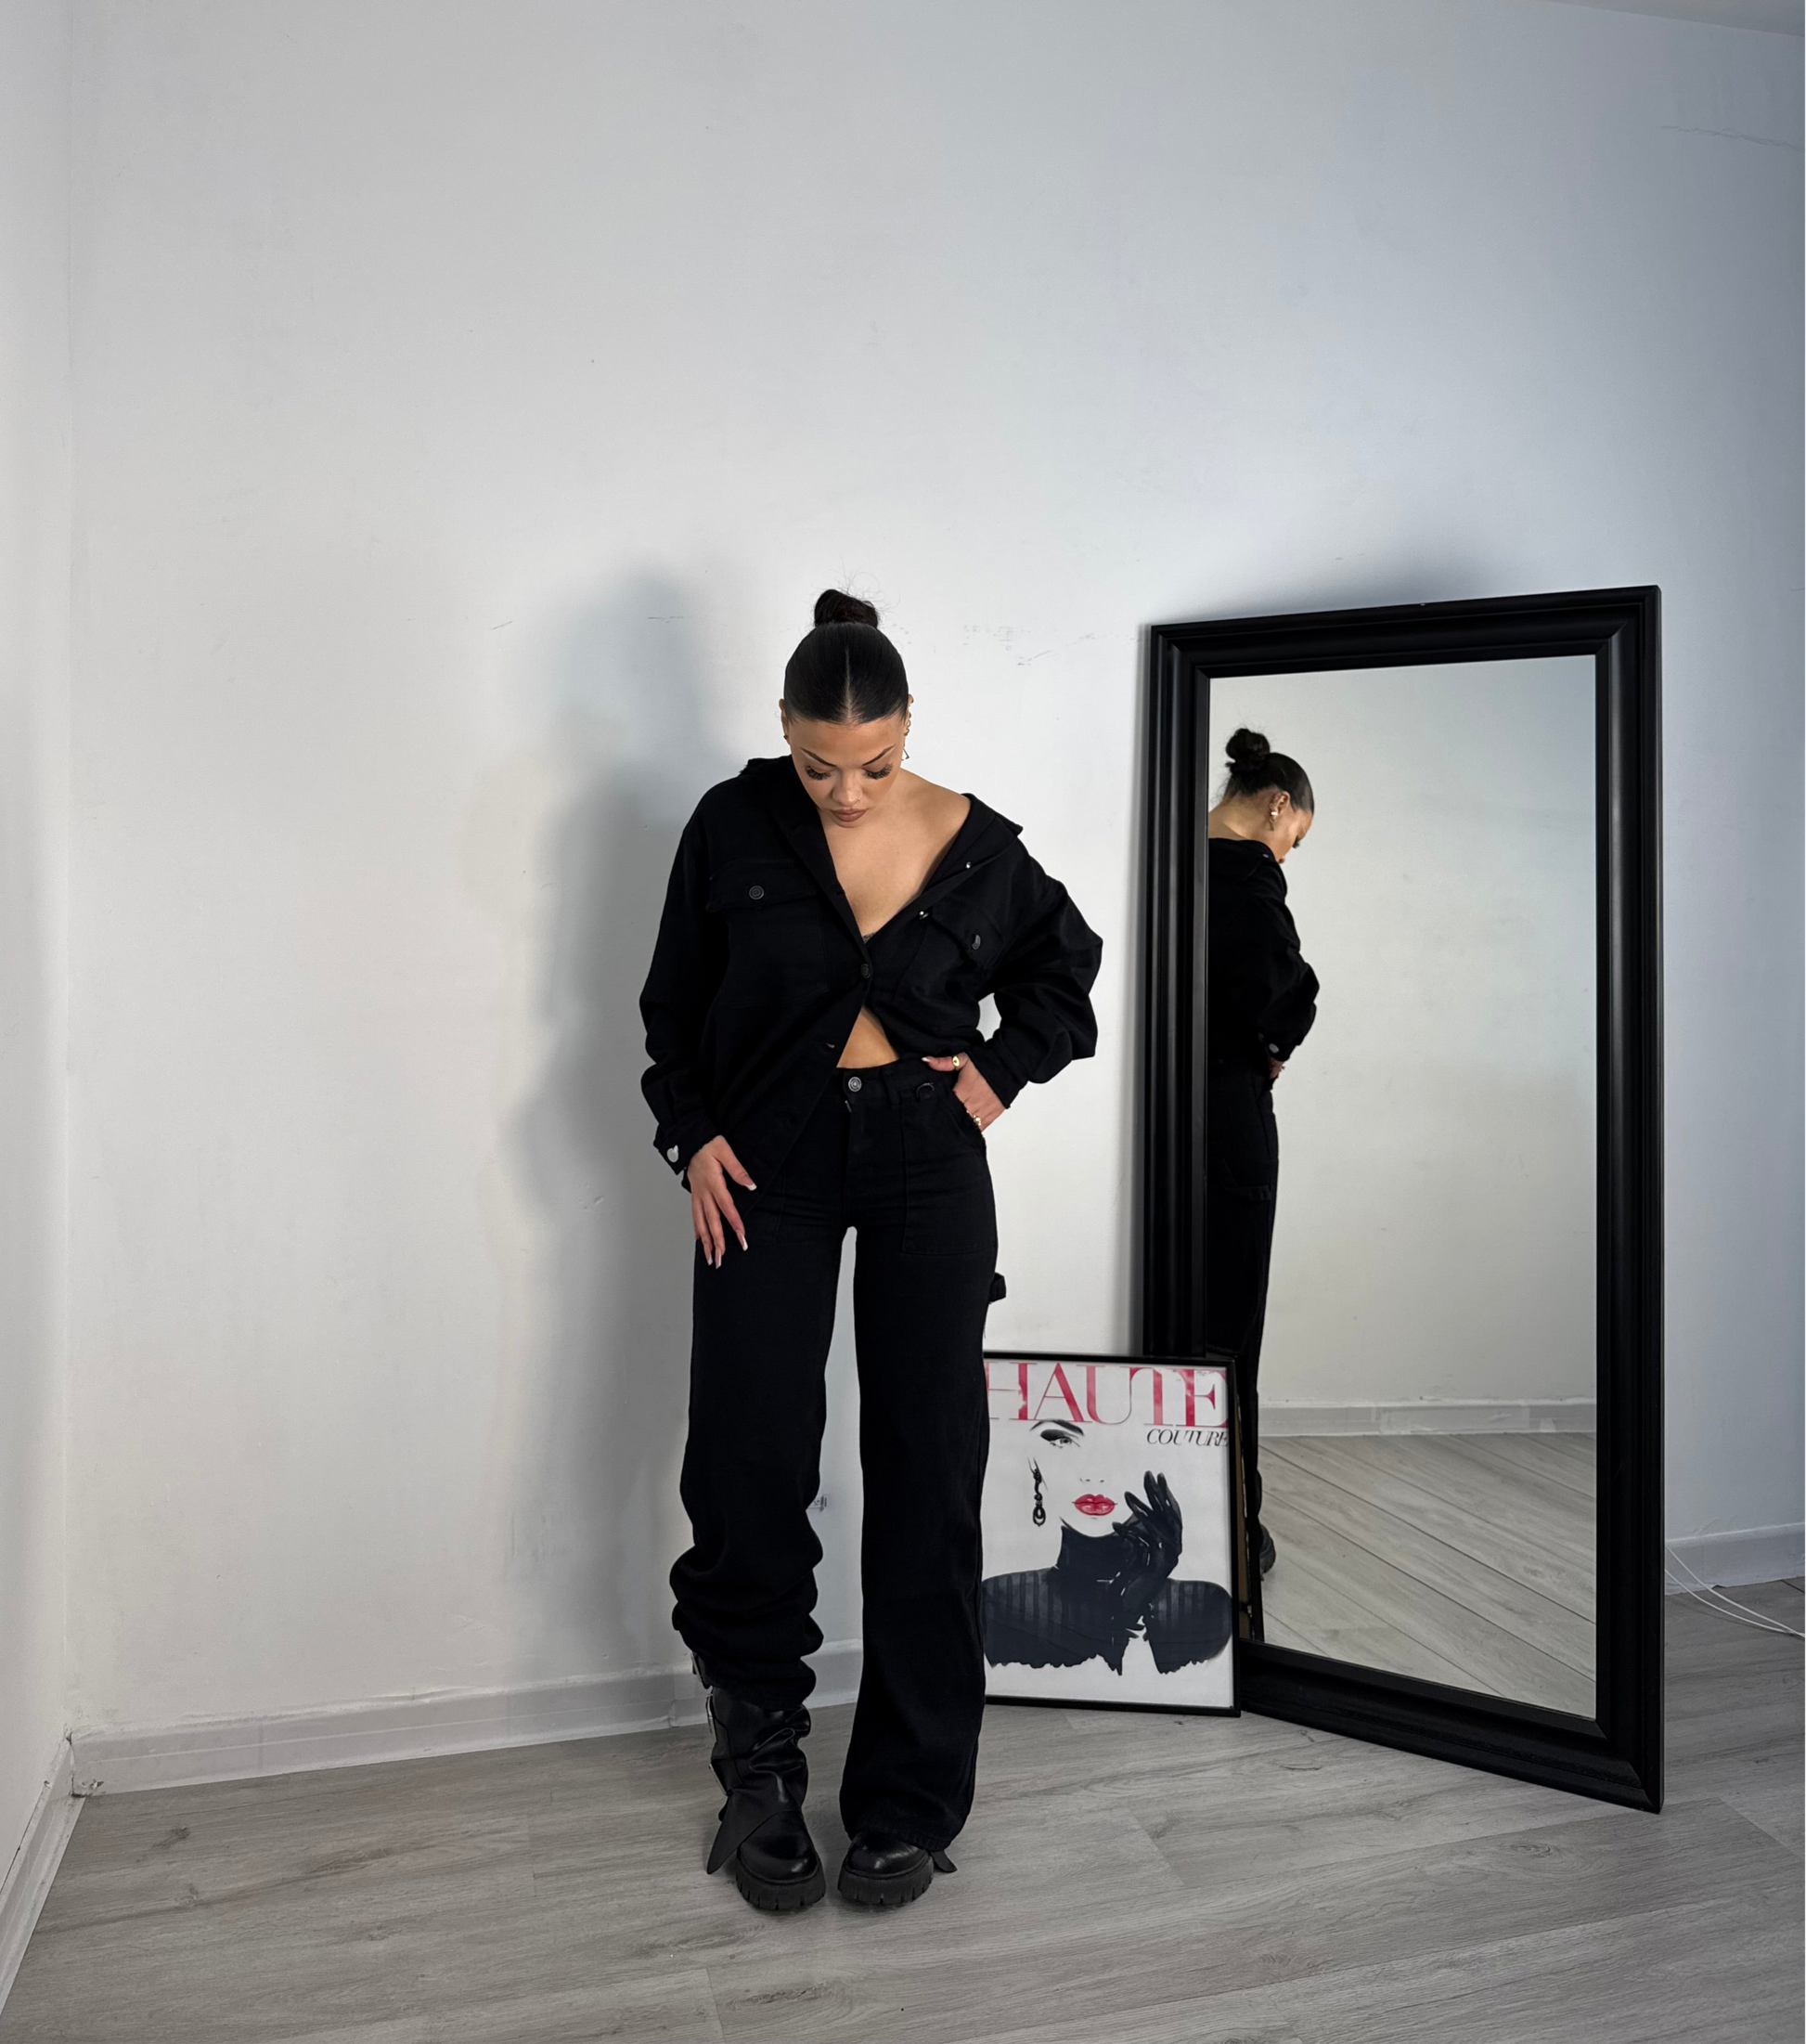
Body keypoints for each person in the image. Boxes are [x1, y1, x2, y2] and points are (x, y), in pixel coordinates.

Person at [639, 589, 1103, 1914]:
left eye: (874, 766)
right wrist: (692, 1135)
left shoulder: (977, 846)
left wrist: (997, 1073)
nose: (845, 794)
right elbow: (671, 1005)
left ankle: (908, 1799)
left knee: (926, 1463)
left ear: (909, 731)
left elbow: (1065, 971)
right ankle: (760, 1771)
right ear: (783, 733)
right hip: (764, 1162)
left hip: (924, 1158)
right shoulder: (729, 823)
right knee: (748, 1455)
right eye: (817, 767)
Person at [1205, 727, 1318, 1590]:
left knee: (1183, 1316)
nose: (1287, 856)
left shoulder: (1165, 858)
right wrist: (1280, 1039)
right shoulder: (1247, 877)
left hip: (1169, 1119)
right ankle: (1234, 1525)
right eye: (1295, 838)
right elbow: (1282, 994)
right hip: (1232, 1119)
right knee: (1234, 1324)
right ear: (1277, 805)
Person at [981, 1418, 1232, 1676]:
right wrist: (1122, 1614)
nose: (1093, 1473)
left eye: (1122, 1440)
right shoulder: (998, 1604)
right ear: (1034, 1465)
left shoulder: (1205, 1609)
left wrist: (1139, 1601)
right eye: (1063, 1441)